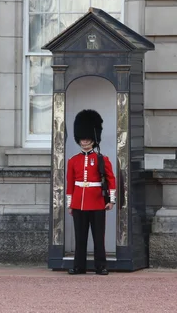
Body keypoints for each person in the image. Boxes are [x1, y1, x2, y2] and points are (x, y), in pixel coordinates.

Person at [66, 109, 116, 275]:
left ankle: (100, 266)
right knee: (80, 238)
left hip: (97, 202)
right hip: (79, 202)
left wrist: (111, 200)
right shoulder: (73, 161)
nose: (84, 142)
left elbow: (111, 179)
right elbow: (70, 184)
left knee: (98, 237)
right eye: (82, 139)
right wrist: (70, 204)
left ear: (94, 140)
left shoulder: (102, 159)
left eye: (87, 139)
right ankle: (79, 266)